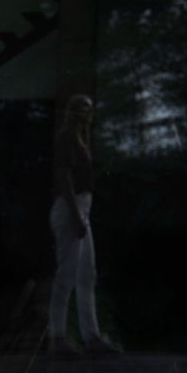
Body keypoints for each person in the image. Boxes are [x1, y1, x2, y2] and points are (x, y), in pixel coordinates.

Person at [47, 94, 119, 357]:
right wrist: (76, 217)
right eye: (82, 110)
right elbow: (64, 177)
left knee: (87, 274)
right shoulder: (67, 138)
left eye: (89, 110)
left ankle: (92, 337)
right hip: (71, 209)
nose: (87, 115)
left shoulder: (82, 140)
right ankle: (57, 336)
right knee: (66, 273)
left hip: (82, 209)